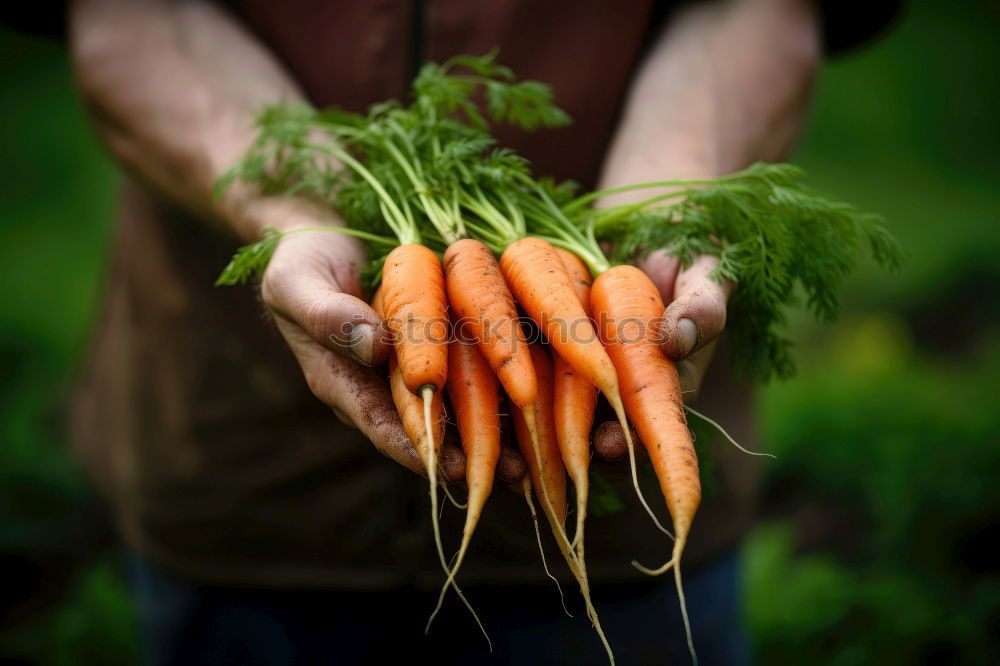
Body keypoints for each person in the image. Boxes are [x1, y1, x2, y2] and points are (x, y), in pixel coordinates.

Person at [53, 0, 896, 663]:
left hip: (615, 557)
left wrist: (675, 195)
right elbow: (134, 12)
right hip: (242, 474)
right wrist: (292, 210)